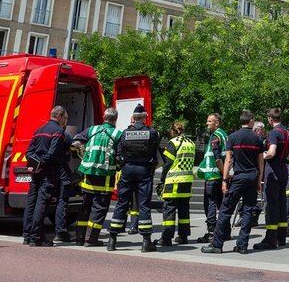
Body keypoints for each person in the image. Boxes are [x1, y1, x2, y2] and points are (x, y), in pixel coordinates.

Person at [201, 110, 265, 255]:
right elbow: (260, 162)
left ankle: (217, 244)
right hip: (252, 176)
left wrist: (224, 180)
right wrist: (259, 180)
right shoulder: (257, 139)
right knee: (248, 210)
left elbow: (228, 161)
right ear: (251, 120)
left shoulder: (233, 137)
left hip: (238, 177)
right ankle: (242, 245)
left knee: (226, 210)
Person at [106, 104, 160, 252]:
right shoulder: (152, 133)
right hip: (144, 171)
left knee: (122, 203)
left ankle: (112, 239)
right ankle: (145, 242)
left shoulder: (125, 133)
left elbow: (118, 154)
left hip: (127, 170)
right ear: (144, 117)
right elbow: (156, 154)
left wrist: (123, 166)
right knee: (143, 205)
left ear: (133, 118)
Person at [72, 107, 123, 247]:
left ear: (104, 117)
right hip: (105, 177)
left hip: (87, 174)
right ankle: (91, 239)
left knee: (85, 206)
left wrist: (82, 152)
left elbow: (75, 141)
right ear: (115, 119)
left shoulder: (92, 130)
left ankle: (79, 238)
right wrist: (118, 166)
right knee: (99, 208)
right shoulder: (118, 134)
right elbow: (119, 157)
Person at [22, 106, 68, 247]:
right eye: (65, 118)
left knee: (31, 203)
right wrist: (41, 164)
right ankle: (37, 237)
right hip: (48, 172)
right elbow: (52, 154)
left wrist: (35, 165)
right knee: (41, 204)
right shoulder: (58, 132)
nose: (65, 121)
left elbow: (28, 152)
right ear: (59, 115)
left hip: (36, 172)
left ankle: (27, 235)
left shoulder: (38, 131)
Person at [255, 108, 289, 249]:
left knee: (271, 205)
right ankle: (281, 237)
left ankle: (270, 239)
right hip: (284, 170)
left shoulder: (274, 133)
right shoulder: (288, 133)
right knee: (281, 203)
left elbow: (271, 152)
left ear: (270, 119)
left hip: (273, 171)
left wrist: (261, 156)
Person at [159, 121, 196, 246]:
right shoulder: (191, 143)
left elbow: (167, 163)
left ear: (173, 131)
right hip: (187, 181)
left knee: (169, 209)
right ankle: (183, 236)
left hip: (173, 181)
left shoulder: (173, 143)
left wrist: (162, 179)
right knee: (184, 210)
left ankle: (166, 238)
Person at [196, 113, 229, 244]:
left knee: (210, 204)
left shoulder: (215, 136)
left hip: (213, 176)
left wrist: (224, 175)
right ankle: (224, 232)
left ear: (217, 123)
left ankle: (211, 233)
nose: (207, 123)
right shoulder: (224, 134)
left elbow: (217, 158)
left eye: (210, 121)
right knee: (221, 205)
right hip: (219, 176)